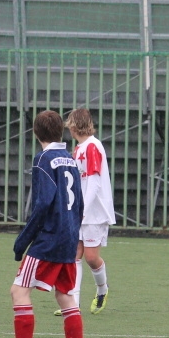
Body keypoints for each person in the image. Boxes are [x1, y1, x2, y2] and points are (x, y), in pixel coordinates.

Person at [0, 109, 88, 338]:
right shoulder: (70, 159)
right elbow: (79, 204)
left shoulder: (44, 159)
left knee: (18, 291)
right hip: (68, 236)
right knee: (65, 295)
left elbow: (43, 203)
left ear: (36, 133)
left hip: (49, 239)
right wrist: (72, 232)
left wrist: (23, 240)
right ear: (61, 131)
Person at [54, 108, 115, 317]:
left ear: (74, 126)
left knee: (91, 257)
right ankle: (74, 302)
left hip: (94, 212)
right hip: (80, 211)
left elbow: (95, 183)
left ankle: (102, 290)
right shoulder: (79, 149)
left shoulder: (92, 146)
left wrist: (83, 210)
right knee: (74, 254)